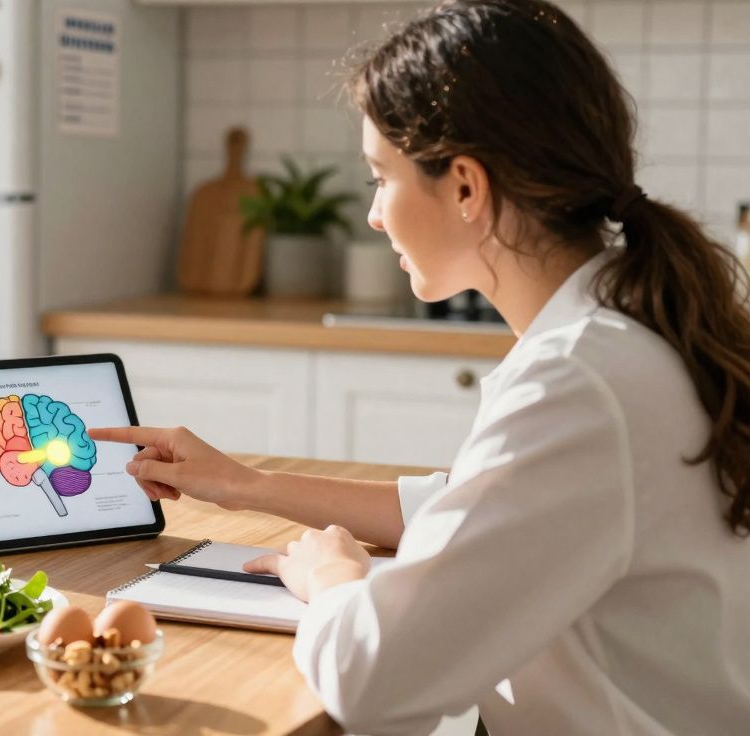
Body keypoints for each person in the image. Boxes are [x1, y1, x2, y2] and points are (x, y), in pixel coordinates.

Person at [92, 1, 750, 732]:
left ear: (466, 187)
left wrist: (331, 580)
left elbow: (368, 677)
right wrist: (246, 486)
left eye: (381, 176)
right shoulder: (626, 332)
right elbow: (477, 509)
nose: (375, 215)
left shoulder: (580, 381)